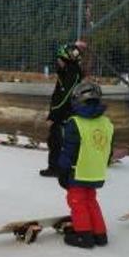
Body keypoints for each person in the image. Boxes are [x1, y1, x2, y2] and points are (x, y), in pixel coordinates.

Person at [56, 81, 113, 248]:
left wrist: (62, 170)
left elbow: (69, 151)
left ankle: (84, 235)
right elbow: (109, 149)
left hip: (78, 171)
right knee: (91, 201)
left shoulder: (75, 122)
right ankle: (100, 234)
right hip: (97, 172)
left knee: (77, 202)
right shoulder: (106, 123)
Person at [41, 42, 86, 177]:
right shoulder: (66, 72)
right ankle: (55, 167)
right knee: (55, 140)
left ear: (66, 60)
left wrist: (53, 116)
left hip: (66, 114)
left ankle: (60, 168)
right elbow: (58, 96)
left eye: (59, 59)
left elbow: (65, 97)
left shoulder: (72, 73)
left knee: (59, 140)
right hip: (62, 113)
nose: (57, 62)